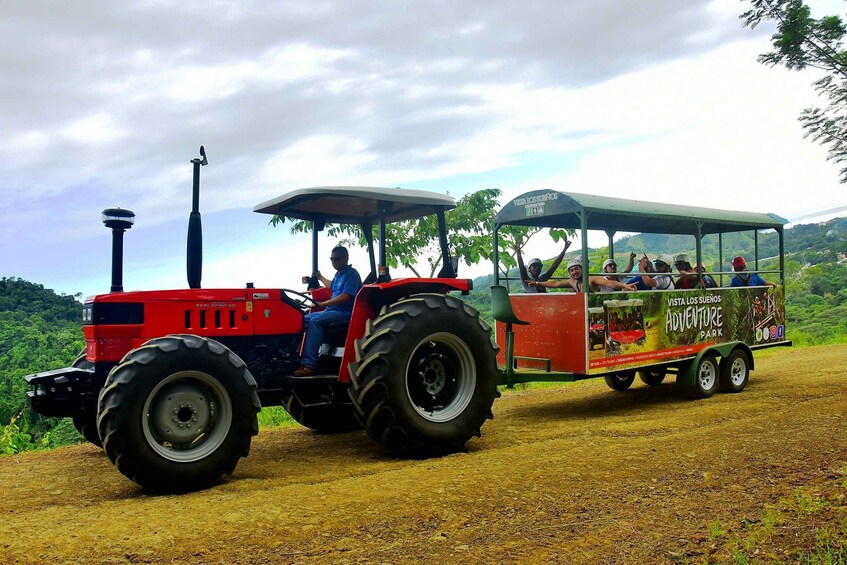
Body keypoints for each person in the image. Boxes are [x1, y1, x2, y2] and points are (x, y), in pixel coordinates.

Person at [294, 246, 362, 377]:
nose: (333, 262)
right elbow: (332, 285)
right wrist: (320, 277)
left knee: (315, 321)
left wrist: (323, 303)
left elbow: (346, 296)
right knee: (300, 318)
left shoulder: (352, 274)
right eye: (331, 259)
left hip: (344, 312)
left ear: (346, 258)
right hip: (331, 311)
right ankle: (294, 357)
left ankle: (309, 365)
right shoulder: (339, 274)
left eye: (336, 259)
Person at [529, 257, 638, 293]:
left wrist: (625, 286)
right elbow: (556, 283)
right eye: (571, 270)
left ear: (582, 269)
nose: (574, 272)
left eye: (576, 269)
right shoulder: (572, 281)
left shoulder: (591, 279)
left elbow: (609, 283)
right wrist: (537, 283)